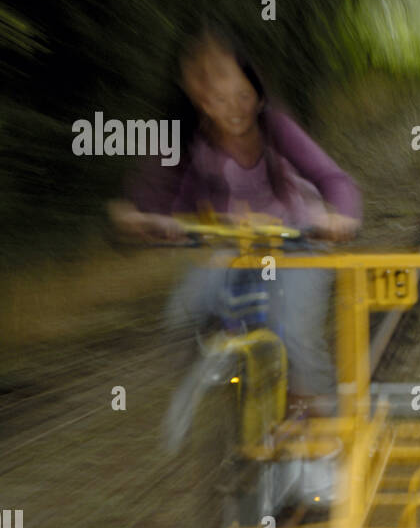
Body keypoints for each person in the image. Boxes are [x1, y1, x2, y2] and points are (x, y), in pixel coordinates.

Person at [109, 24, 362, 416]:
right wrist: (141, 217)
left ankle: (318, 422)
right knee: (182, 315)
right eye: (216, 99)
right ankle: (225, 391)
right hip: (233, 250)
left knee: (292, 332)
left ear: (254, 87)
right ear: (199, 102)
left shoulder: (275, 128)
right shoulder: (192, 143)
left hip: (298, 247)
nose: (233, 108)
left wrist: (339, 216)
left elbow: (333, 179)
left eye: (241, 95)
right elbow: (158, 194)